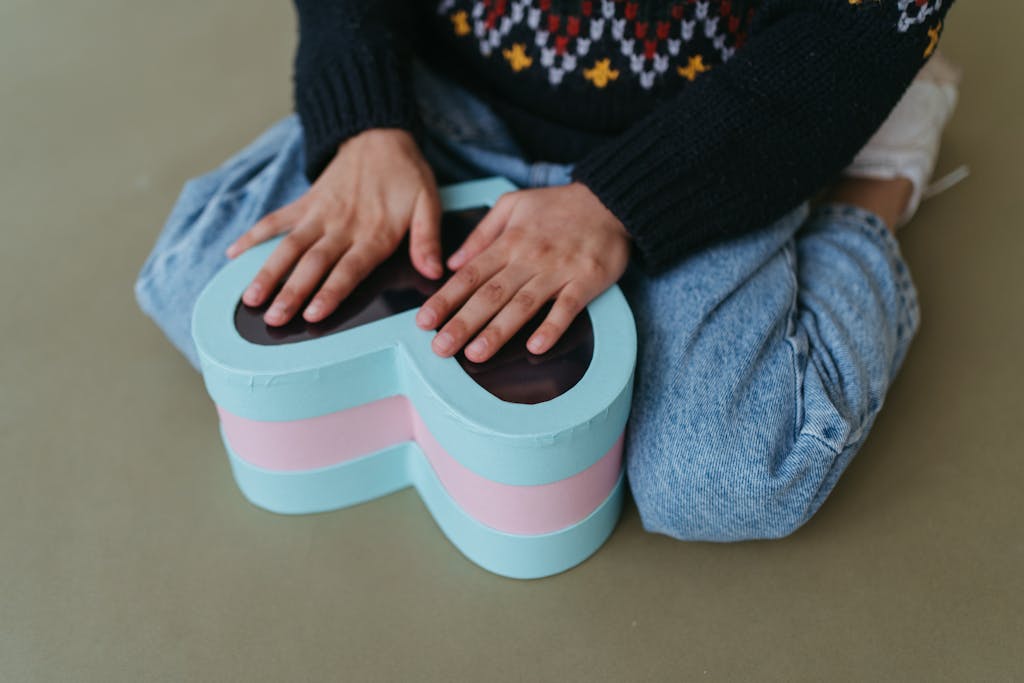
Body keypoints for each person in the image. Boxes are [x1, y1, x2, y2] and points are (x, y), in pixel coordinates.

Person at [136, 0, 960, 541]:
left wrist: (623, 205)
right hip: (450, 89)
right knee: (190, 284)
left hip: (724, 121)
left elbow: (856, 32)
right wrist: (365, 124)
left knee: (727, 480)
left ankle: (878, 173)